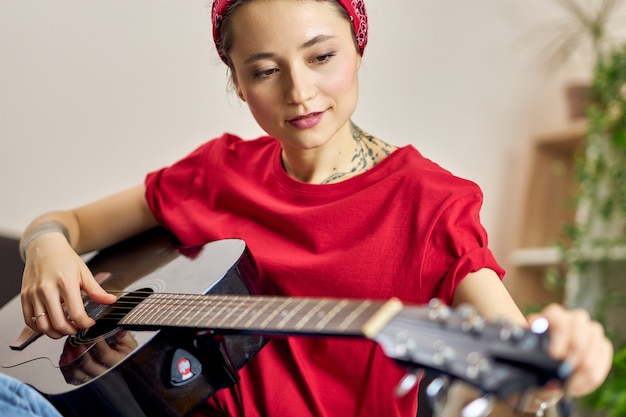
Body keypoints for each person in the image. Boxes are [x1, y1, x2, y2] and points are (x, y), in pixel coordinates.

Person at [18, 0, 612, 416]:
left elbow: (523, 368)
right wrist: (44, 247)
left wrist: (567, 361)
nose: (299, 92)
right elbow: (65, 224)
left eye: (321, 57)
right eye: (266, 71)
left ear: (357, 47)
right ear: (238, 82)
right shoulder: (215, 172)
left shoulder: (429, 206)